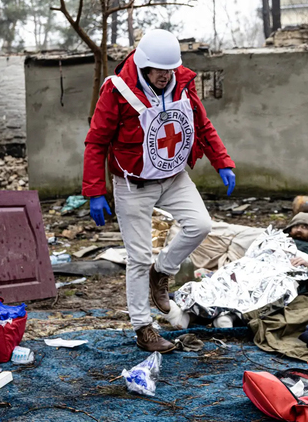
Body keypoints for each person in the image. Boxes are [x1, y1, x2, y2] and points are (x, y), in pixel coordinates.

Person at [82, 28, 236, 353]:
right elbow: (96, 142)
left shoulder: (182, 82)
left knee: (201, 225)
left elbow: (201, 122)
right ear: (143, 65)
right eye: (159, 71)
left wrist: (221, 160)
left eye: (170, 70)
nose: (165, 77)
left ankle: (162, 271)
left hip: (174, 176)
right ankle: (143, 327)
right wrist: (95, 190)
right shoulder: (118, 91)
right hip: (133, 183)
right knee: (137, 257)